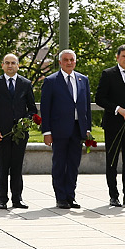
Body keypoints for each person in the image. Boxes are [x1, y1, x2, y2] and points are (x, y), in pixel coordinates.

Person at [40, 49, 93, 209]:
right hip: (59, 130)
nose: (69, 62)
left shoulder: (83, 80)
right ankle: (61, 197)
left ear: (75, 62)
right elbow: (45, 108)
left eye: (72, 60)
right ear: (60, 62)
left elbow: (86, 107)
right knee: (59, 164)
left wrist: (87, 129)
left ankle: (71, 196)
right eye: (66, 60)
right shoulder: (51, 81)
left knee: (73, 164)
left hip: (78, 129)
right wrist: (46, 132)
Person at [0, 53, 36, 209]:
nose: (10, 65)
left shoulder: (26, 84)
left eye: (13, 63)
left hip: (20, 134)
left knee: (17, 167)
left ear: (18, 66)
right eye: (7, 63)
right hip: (1, 134)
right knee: (3, 167)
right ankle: (1, 199)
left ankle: (17, 199)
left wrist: (25, 121)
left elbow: (32, 109)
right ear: (2, 66)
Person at [96, 44, 125, 206]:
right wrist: (118, 109)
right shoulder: (108, 74)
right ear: (117, 57)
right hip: (113, 124)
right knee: (112, 161)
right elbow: (100, 98)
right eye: (124, 56)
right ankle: (113, 195)